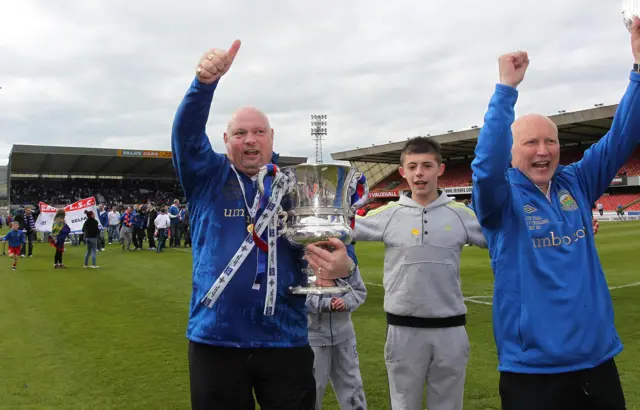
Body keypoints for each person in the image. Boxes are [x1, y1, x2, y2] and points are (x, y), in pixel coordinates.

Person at [171, 39, 358, 410]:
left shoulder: (294, 186)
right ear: (226, 141)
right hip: (215, 341)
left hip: (284, 341)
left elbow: (331, 238)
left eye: (259, 132)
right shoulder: (208, 177)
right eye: (240, 133)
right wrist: (203, 85)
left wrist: (344, 266)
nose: (250, 140)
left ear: (272, 140)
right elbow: (186, 136)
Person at [470, 18, 640, 410]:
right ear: (512, 153)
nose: (543, 150)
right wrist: (505, 90)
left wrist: (638, 67)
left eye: (551, 141)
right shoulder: (499, 200)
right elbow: (484, 168)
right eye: (530, 142)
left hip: (598, 361)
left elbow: (622, 136)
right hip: (532, 371)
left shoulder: (577, 182)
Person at [353, 137, 487, 410]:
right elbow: (344, 228)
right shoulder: (388, 214)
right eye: (412, 166)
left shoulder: (461, 214)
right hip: (402, 329)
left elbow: (504, 239)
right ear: (402, 172)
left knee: (449, 405)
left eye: (427, 165)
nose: (419, 173)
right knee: (403, 405)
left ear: (440, 169)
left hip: (450, 328)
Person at [306, 266, 367, 410]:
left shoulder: (345, 262)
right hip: (314, 339)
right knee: (312, 390)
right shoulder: (303, 262)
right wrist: (327, 304)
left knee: (353, 387)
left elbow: (359, 290)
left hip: (344, 336)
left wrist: (346, 301)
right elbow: (299, 298)